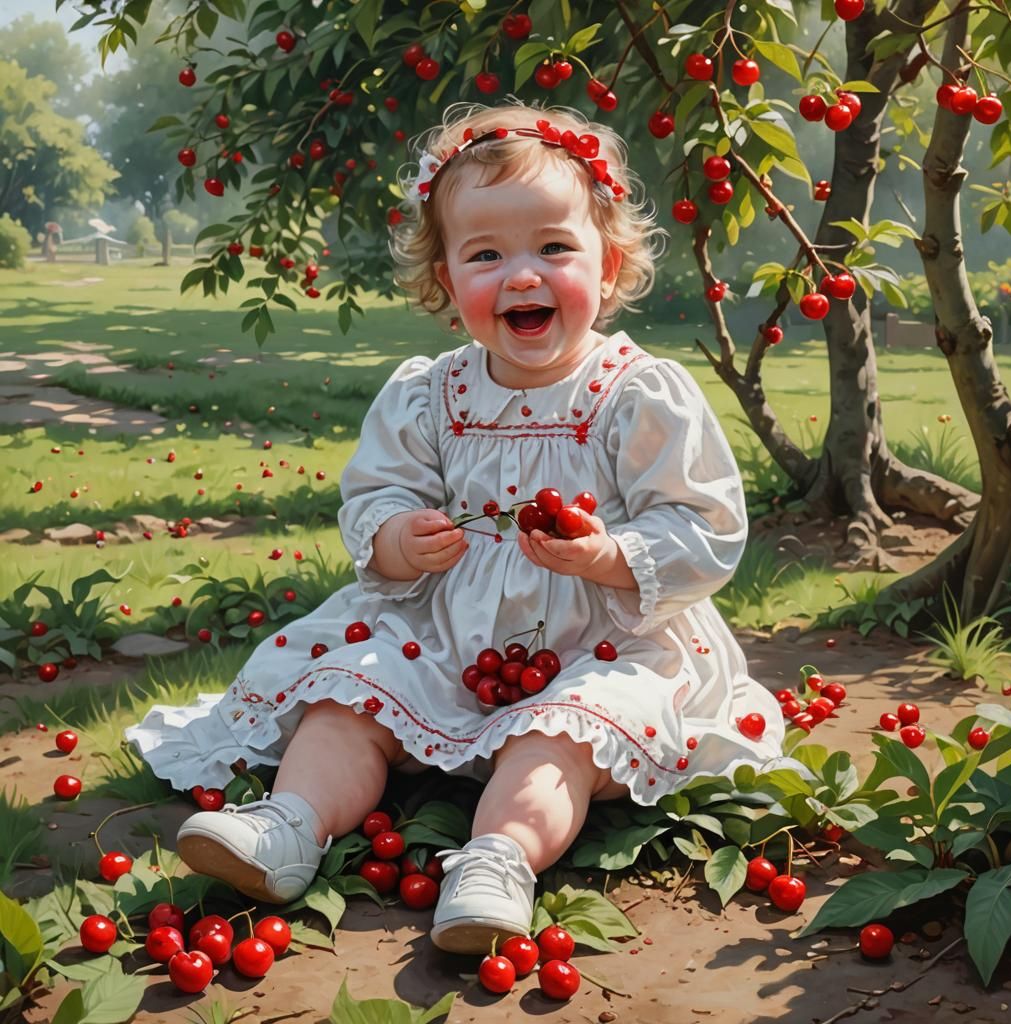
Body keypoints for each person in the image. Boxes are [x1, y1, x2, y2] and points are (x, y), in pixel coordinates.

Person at [125, 98, 804, 956]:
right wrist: (397, 538)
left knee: (564, 734)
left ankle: (497, 861)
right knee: (347, 694)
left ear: (608, 264)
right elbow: (377, 494)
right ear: (447, 281)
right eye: (486, 255)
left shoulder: (637, 393)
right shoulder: (430, 393)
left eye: (553, 248)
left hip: (598, 643)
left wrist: (610, 553)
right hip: (441, 636)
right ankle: (291, 823)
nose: (521, 276)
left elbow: (705, 523)